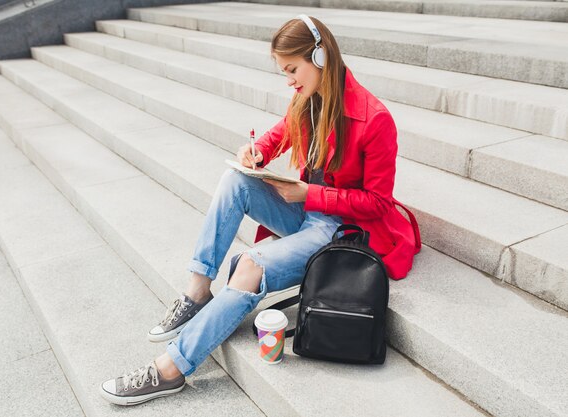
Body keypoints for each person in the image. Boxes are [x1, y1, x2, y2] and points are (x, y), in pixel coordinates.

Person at [99, 14, 420, 406]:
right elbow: (281, 132)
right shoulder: (308, 98)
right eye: (284, 71)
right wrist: (257, 153)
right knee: (236, 180)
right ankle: (197, 291)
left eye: (292, 69)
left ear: (320, 56)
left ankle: (170, 370)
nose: (289, 80)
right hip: (305, 210)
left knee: (250, 265)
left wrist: (310, 195)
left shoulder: (375, 119)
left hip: (339, 229)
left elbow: (379, 204)